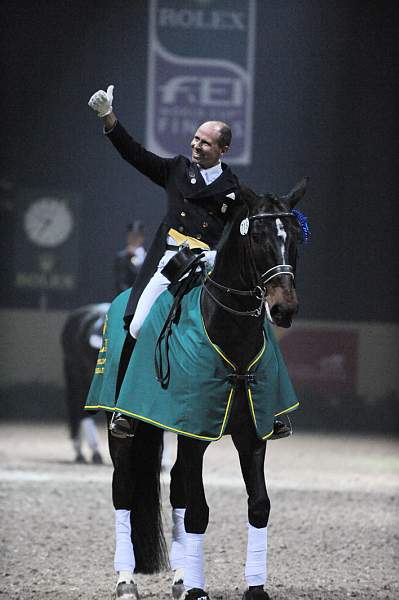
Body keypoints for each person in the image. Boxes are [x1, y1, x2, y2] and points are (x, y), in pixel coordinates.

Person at [88, 84, 288, 599]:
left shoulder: (237, 190)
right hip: (166, 261)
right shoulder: (176, 170)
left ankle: (272, 407)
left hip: (206, 264)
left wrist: (287, 216)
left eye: (205, 141)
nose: (195, 144)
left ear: (223, 148)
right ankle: (126, 408)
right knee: (136, 318)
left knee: (251, 319)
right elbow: (135, 155)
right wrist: (112, 119)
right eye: (195, 138)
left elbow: (259, 217)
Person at [114, 220, 146, 294]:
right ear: (128, 237)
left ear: (142, 238)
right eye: (132, 236)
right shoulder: (121, 258)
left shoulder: (148, 257)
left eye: (137, 236)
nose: (134, 239)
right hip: (127, 295)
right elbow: (121, 282)